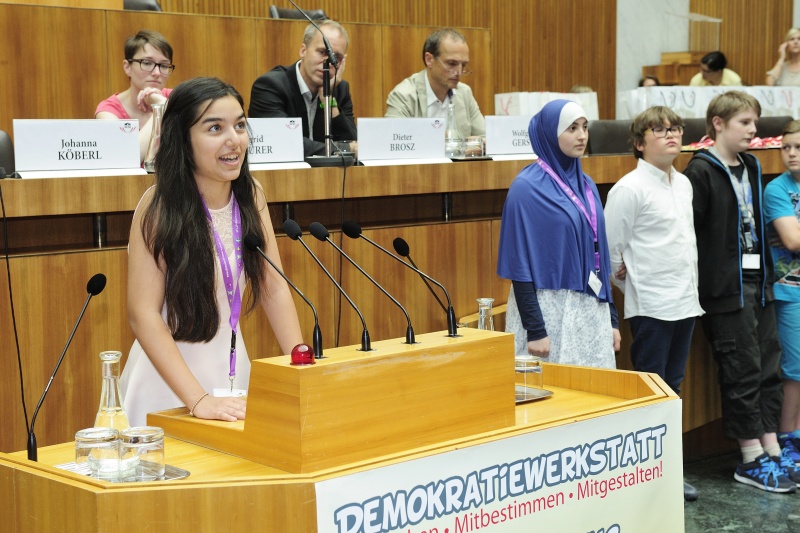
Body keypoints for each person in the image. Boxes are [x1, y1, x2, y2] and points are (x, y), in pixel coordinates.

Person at [121, 77, 304, 427]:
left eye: (239, 125)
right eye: (215, 128)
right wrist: (198, 399)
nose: (233, 139)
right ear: (182, 138)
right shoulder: (158, 207)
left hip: (231, 380)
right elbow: (142, 314)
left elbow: (274, 287)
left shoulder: (252, 197)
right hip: (168, 386)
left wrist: (300, 367)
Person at [683, 91, 798, 493]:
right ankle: (749, 457)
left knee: (769, 365)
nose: (753, 131)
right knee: (741, 370)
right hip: (724, 289)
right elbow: (691, 236)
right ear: (718, 123)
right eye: (745, 123)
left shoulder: (750, 165)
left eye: (754, 123)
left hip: (757, 282)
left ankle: (771, 447)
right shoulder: (699, 172)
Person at [604, 106, 705, 502]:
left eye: (676, 128)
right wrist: (635, 289)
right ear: (639, 142)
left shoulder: (683, 183)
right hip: (651, 306)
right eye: (660, 130)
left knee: (673, 388)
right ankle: (645, 476)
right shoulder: (629, 188)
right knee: (650, 392)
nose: (671, 135)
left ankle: (667, 470)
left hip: (685, 301)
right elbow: (610, 254)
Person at [497, 99, 619, 368]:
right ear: (550, 134)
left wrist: (610, 319)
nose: (582, 135)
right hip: (547, 311)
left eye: (585, 127)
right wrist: (535, 329)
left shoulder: (586, 184)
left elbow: (599, 254)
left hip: (589, 309)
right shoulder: (525, 188)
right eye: (572, 128)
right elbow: (519, 263)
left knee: (595, 398)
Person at [248, 20, 357, 157]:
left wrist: (329, 102)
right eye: (322, 52)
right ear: (303, 51)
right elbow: (282, 143)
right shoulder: (270, 86)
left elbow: (354, 143)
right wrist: (344, 148)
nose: (328, 62)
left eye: (337, 58)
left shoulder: (340, 89)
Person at [763, 119, 800, 468]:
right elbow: (793, 240)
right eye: (786, 147)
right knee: (795, 372)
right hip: (791, 293)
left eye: (797, 147)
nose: (790, 154)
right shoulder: (777, 190)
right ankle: (789, 444)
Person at [385, 28, 485, 137]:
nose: (459, 72)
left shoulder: (464, 92)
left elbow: (486, 137)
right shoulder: (403, 96)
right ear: (429, 60)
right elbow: (394, 141)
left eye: (464, 65)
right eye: (452, 63)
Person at [95, 30, 175, 163]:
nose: (156, 72)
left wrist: (164, 103)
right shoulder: (108, 111)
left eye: (164, 65)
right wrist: (161, 108)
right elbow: (125, 159)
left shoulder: (175, 97)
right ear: (127, 67)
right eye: (147, 63)